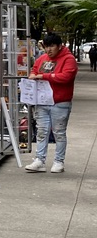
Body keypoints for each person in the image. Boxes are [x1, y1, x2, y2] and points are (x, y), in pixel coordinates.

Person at [25, 32, 78, 174]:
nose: (48, 50)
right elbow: (34, 71)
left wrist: (44, 76)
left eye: (52, 46)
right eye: (46, 46)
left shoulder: (68, 59)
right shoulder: (41, 59)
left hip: (60, 102)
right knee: (41, 132)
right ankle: (39, 160)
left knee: (59, 133)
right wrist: (33, 76)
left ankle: (59, 161)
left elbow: (66, 77)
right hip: (42, 102)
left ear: (59, 46)